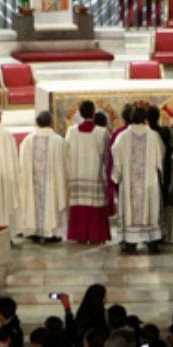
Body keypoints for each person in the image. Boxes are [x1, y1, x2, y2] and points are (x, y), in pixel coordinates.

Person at [111, 106, 165, 253]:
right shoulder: (153, 136)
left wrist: (116, 175)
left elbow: (116, 155)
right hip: (149, 182)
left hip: (129, 183)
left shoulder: (122, 137)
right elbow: (161, 155)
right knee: (150, 208)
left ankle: (130, 242)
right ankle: (152, 240)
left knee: (130, 210)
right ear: (145, 119)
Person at [64, 100, 110, 244]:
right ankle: (96, 235)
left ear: (80, 114)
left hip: (77, 174)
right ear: (93, 113)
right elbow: (106, 154)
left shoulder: (71, 132)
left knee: (79, 203)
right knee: (95, 206)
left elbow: (67, 152)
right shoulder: (101, 132)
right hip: (94, 173)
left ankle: (80, 235)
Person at [18, 111, 68, 241]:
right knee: (51, 200)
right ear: (51, 123)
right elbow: (64, 164)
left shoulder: (28, 140)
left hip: (33, 185)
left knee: (32, 200)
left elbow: (22, 165)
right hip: (51, 185)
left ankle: (33, 229)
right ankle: (51, 232)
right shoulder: (58, 141)